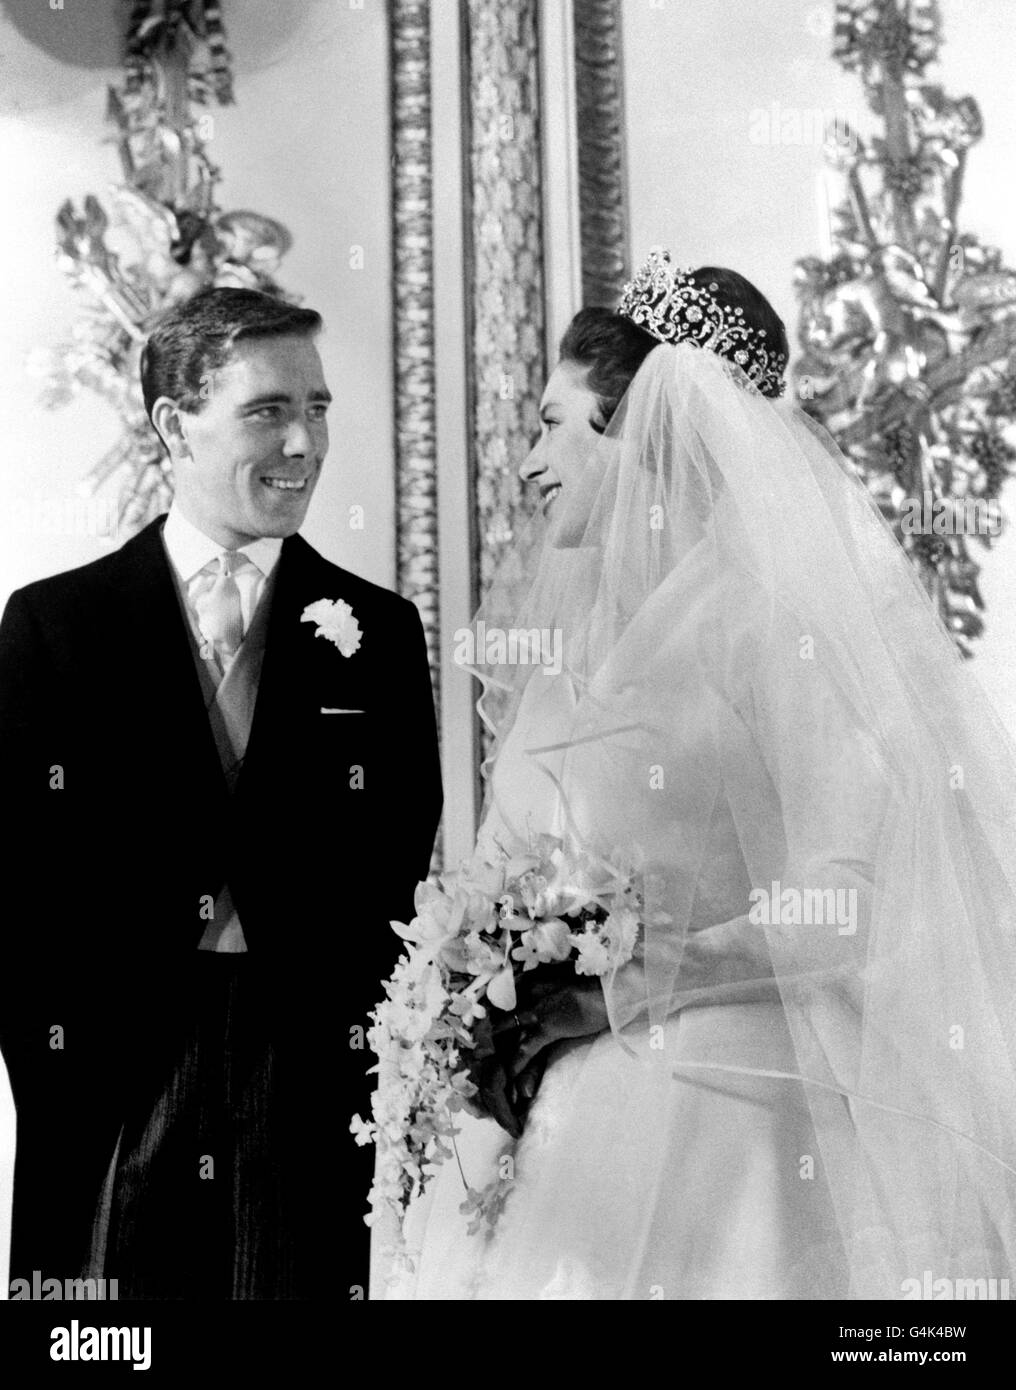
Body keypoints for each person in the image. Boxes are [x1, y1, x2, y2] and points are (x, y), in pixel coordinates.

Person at [381, 252, 1016, 1300]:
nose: (529, 462)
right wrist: (473, 1000)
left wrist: (622, 984)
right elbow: (502, 870)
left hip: (733, 1119)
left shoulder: (773, 629)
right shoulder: (567, 652)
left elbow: (849, 900)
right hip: (560, 1127)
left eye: (552, 423)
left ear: (640, 427)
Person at [0, 287, 442, 1299]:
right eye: (267, 410)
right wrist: (71, 1081)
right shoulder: (53, 628)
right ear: (172, 423)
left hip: (306, 1081)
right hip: (116, 1083)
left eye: (317, 408)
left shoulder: (376, 631)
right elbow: (16, 889)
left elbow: (394, 869)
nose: (302, 442)